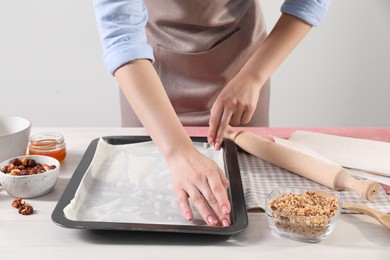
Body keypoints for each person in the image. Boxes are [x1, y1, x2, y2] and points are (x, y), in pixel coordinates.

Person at [93, 0, 330, 227]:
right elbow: (121, 37)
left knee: (249, 208)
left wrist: (254, 77)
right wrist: (177, 152)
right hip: (148, 77)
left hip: (243, 67)